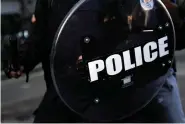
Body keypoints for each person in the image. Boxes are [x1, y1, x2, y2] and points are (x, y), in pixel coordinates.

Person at [7, 0, 185, 123]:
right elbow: (41, 38)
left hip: (143, 82)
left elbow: (165, 28)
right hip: (75, 91)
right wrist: (21, 61)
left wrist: (106, 55)